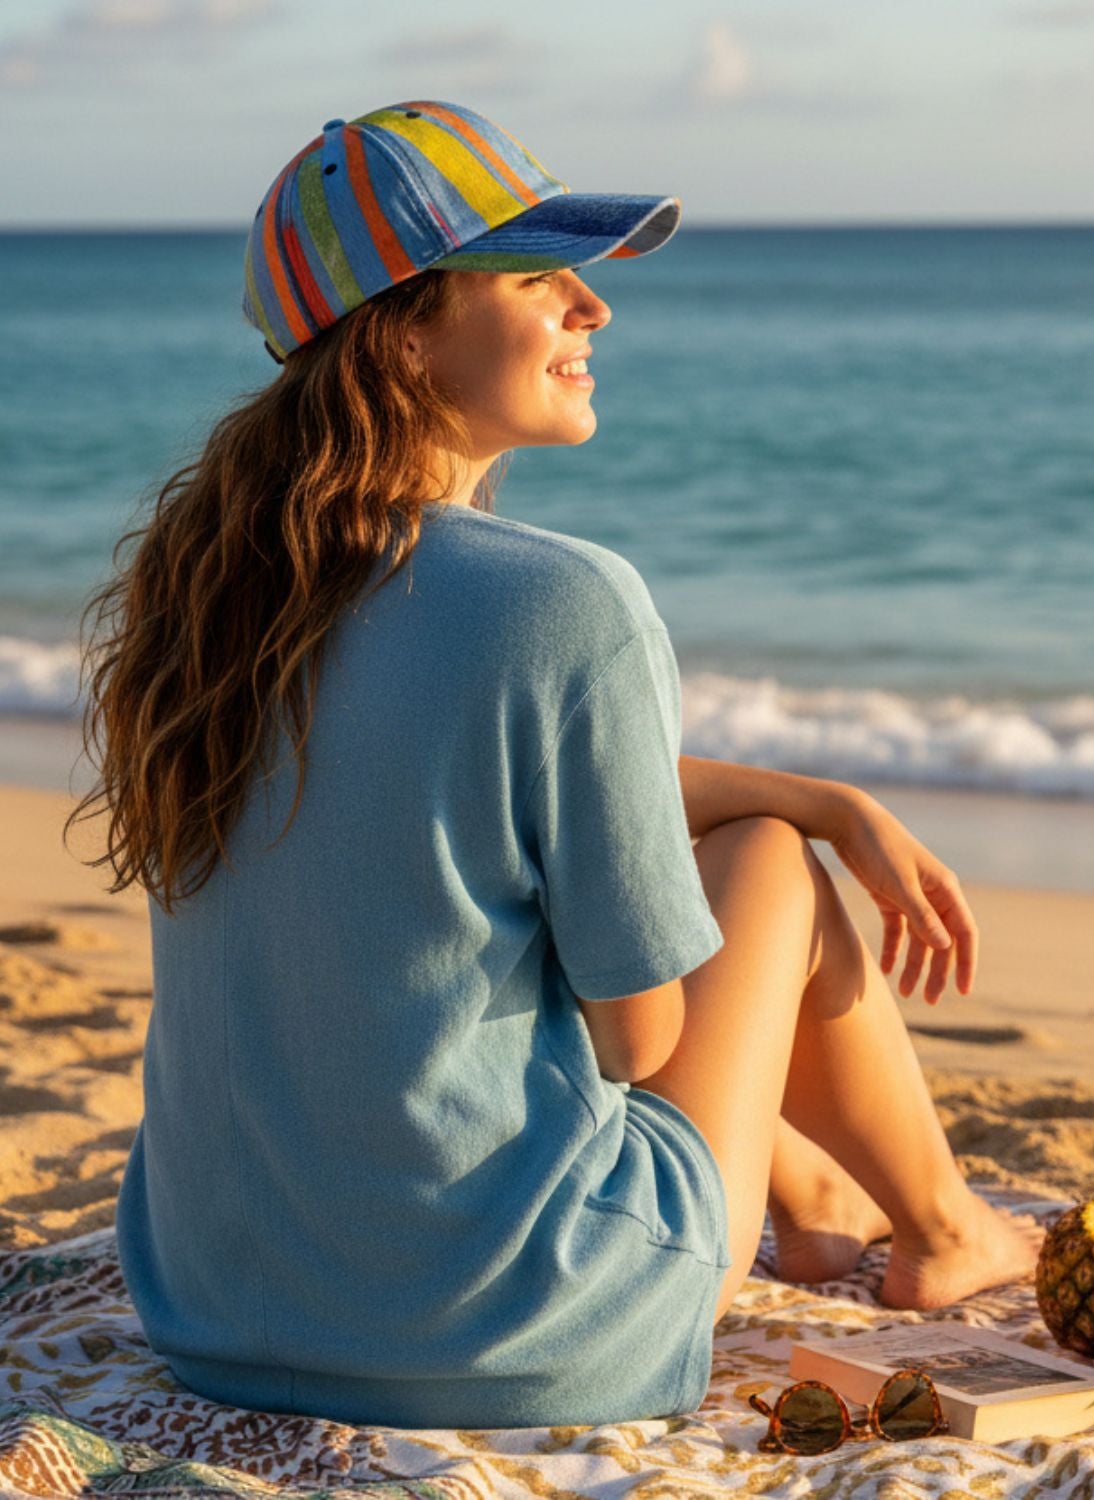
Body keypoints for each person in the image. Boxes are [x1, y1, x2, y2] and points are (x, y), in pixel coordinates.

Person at [70, 99, 1042, 1432]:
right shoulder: (564, 601)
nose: (592, 309)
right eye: (538, 276)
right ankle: (939, 1226)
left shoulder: (211, 599)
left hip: (219, 1313)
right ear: (408, 326)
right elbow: (641, 1040)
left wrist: (823, 788)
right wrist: (793, 823)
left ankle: (822, 1208)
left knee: (767, 833)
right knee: (767, 869)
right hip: (512, 1331)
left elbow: (446, 782)